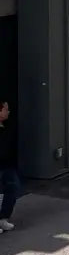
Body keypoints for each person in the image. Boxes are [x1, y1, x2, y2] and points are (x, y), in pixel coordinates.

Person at [0, 97, 20, 232]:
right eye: (6, 109)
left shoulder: (6, 127)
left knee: (12, 190)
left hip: (8, 165)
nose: (8, 111)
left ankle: (3, 218)